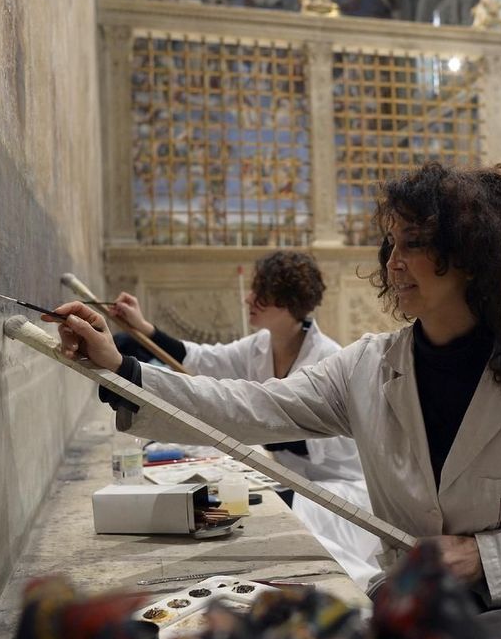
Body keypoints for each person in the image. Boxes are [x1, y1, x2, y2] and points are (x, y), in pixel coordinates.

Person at [48, 163, 501, 639]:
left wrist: (482, 557)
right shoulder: (367, 368)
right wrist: (121, 366)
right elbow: (250, 406)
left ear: (474, 256)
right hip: (416, 602)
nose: (393, 261)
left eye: (413, 242)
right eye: (390, 242)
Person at [106, 251, 381, 591]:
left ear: (286, 303)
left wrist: (241, 425)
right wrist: (141, 330)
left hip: (338, 489)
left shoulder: (329, 358)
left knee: (283, 523)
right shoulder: (259, 346)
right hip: (292, 479)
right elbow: (202, 360)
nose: (247, 298)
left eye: (260, 295)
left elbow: (303, 435)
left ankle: (368, 590)